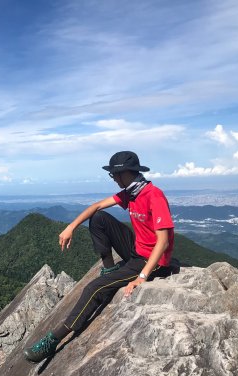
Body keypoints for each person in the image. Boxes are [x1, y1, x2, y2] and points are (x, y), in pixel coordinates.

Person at [23, 150, 176, 363]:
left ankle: (54, 339)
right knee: (99, 218)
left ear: (125, 173)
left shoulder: (153, 196)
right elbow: (96, 207)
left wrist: (142, 276)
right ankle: (110, 268)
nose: (113, 179)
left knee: (94, 287)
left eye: (114, 175)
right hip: (136, 249)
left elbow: (163, 241)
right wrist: (72, 227)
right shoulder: (131, 193)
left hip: (152, 261)